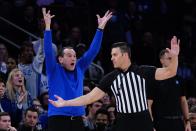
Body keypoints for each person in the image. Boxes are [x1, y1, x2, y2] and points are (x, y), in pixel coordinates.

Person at [49, 36, 180, 131]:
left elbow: (170, 72)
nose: (111, 58)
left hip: (143, 121)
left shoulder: (144, 71)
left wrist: (174, 56)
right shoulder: (110, 78)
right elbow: (88, 98)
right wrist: (65, 103)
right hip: (122, 121)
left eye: (115, 55)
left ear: (125, 55)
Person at [42, 8, 112, 131]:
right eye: (69, 55)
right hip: (58, 119)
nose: (73, 58)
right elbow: (48, 51)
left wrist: (100, 29)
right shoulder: (54, 69)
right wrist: (48, 27)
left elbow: (93, 51)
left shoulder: (79, 67)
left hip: (78, 119)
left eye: (74, 56)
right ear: (60, 59)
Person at [147, 49, 192, 131]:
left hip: (178, 122)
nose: (173, 61)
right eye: (170, 58)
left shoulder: (179, 79)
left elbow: (183, 101)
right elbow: (148, 104)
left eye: (173, 58)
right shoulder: (154, 80)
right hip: (161, 123)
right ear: (162, 61)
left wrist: (187, 121)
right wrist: (150, 125)